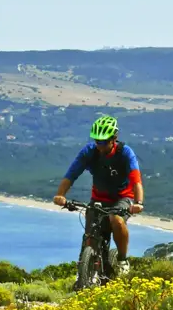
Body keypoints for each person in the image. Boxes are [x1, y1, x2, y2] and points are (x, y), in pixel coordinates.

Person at [53, 115, 144, 276]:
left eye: (103, 141)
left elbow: (136, 180)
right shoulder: (89, 152)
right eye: (97, 141)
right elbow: (71, 175)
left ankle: (122, 259)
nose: (99, 145)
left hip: (122, 198)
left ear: (114, 138)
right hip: (99, 198)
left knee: (116, 219)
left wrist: (138, 202)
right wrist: (60, 195)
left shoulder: (125, 153)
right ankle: (84, 276)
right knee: (90, 236)